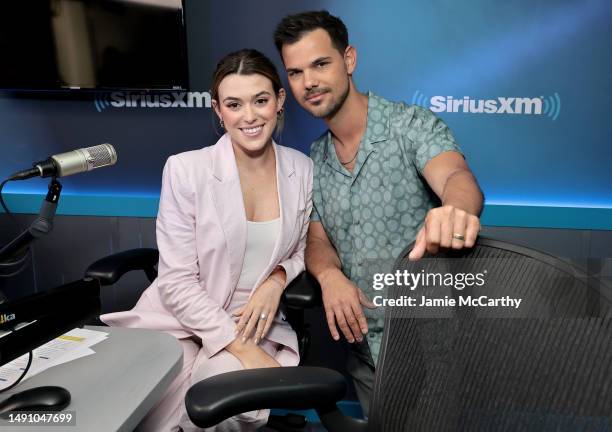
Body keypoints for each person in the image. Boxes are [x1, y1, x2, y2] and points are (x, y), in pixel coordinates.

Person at [274, 11, 483, 416]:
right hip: (365, 352)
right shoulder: (315, 157)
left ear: (349, 60)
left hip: (433, 348)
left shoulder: (410, 125)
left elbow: (456, 175)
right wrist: (329, 275)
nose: (309, 82)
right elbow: (317, 239)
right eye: (296, 72)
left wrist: (455, 211)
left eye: (320, 64)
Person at [101, 49, 313, 431]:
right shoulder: (186, 170)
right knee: (141, 400)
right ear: (218, 110)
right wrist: (240, 346)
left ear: (279, 101)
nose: (249, 116)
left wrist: (278, 278)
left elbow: (301, 247)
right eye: (234, 104)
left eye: (260, 101)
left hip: (253, 323)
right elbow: (177, 281)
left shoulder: (302, 168)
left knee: (219, 401)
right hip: (179, 320)